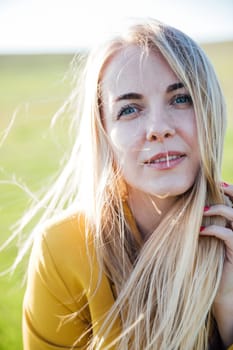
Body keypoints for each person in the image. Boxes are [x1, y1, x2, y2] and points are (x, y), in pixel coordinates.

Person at [21, 18, 233, 349]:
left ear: (209, 109)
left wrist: (229, 313)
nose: (158, 128)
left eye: (180, 98)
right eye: (130, 109)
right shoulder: (62, 248)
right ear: (103, 131)